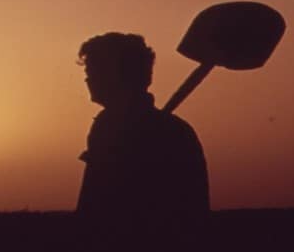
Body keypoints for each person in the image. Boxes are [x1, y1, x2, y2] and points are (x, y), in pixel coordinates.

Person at [76, 32, 209, 223]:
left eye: (92, 72)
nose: (88, 80)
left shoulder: (115, 128)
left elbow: (95, 206)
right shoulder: (173, 129)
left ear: (114, 73)